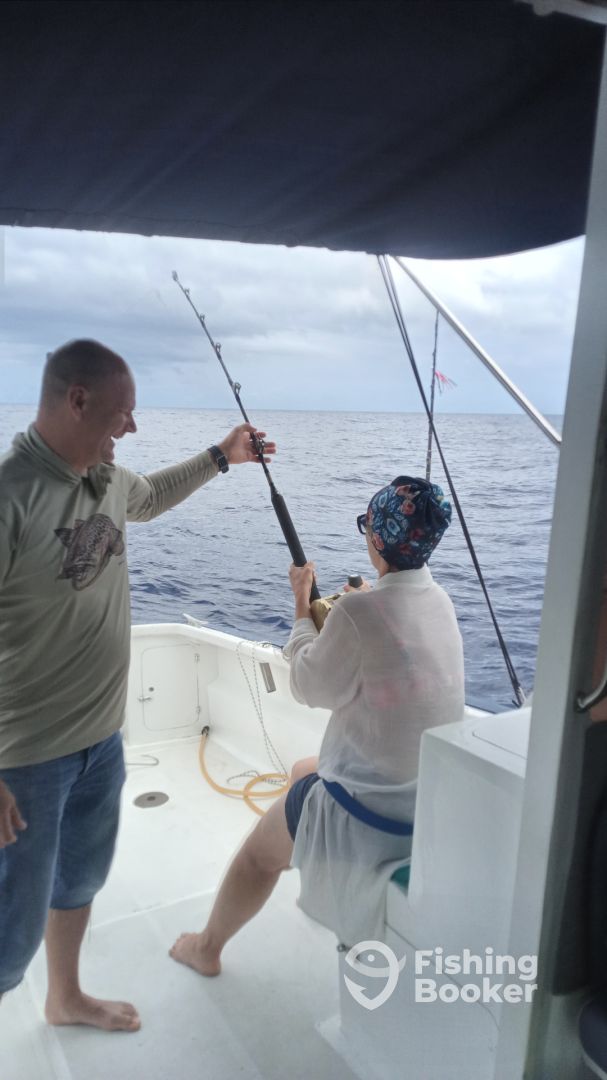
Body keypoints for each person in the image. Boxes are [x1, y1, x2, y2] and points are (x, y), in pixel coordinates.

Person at [0, 338, 276, 1032]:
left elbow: (151, 497)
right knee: (8, 936)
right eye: (122, 412)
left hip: (102, 741)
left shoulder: (106, 480)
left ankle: (65, 997)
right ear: (77, 400)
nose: (132, 426)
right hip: (23, 760)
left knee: (79, 881)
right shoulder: (10, 496)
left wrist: (221, 456)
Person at [170, 474, 464, 974]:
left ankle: (206, 949)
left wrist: (301, 604)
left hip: (369, 815)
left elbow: (305, 686)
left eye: (366, 526)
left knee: (255, 858)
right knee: (301, 770)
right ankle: (304, 848)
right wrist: (357, 606)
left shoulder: (359, 612)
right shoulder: (440, 601)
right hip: (427, 802)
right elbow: (388, 649)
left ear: (377, 539)